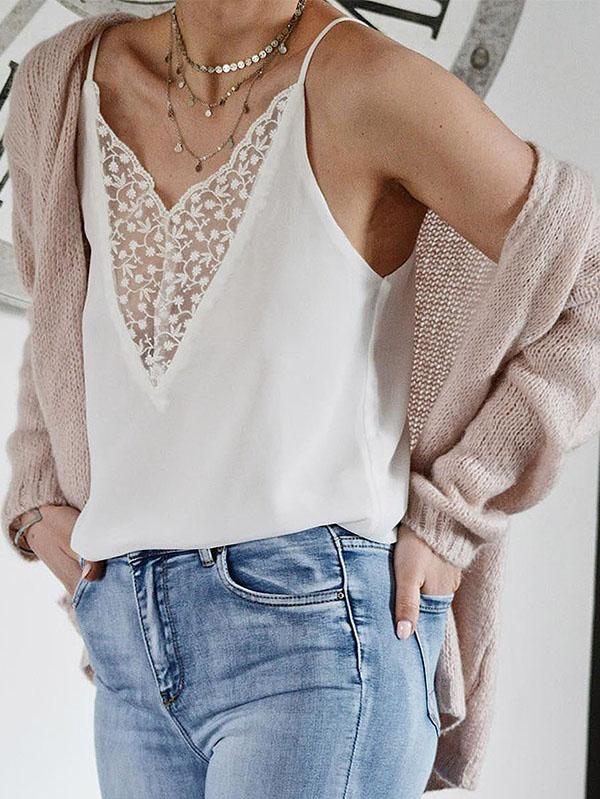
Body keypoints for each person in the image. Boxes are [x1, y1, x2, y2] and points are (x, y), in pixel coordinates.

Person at [5, 1, 598, 797]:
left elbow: (590, 279)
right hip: (131, 650)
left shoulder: (368, 85)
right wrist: (37, 488)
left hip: (317, 638)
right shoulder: (64, 81)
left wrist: (457, 510)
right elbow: (56, 311)